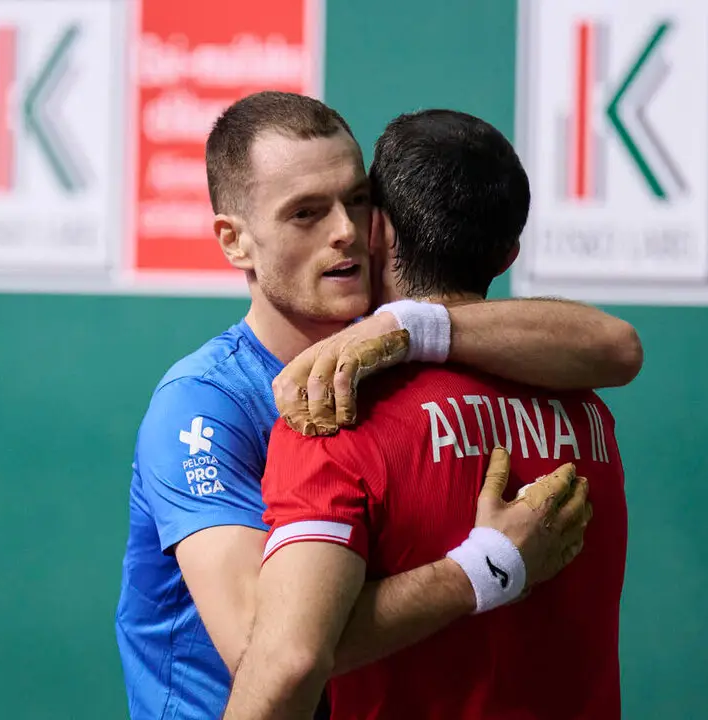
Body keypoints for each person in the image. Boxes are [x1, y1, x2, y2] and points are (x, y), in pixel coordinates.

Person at [116, 92, 641, 720]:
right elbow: (270, 646)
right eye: (306, 213)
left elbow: (615, 347)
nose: (345, 231)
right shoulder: (201, 407)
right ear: (236, 242)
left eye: (357, 201)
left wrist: (412, 324)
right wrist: (488, 567)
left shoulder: (397, 352)